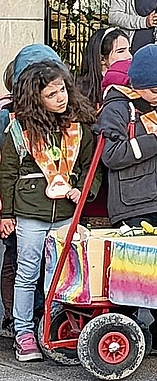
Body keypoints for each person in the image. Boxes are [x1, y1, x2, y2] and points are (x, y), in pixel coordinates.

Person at [1, 58, 99, 362]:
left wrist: (83, 190)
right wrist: (6, 214)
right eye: (52, 94)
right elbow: (7, 171)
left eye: (62, 91)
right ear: (36, 98)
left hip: (67, 211)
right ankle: (24, 332)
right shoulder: (19, 129)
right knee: (27, 272)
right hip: (30, 211)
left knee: (61, 272)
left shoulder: (78, 127)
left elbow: (89, 168)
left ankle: (53, 325)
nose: (61, 98)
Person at [97, 44, 157, 357]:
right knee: (134, 272)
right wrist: (155, 138)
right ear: (136, 83)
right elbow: (111, 156)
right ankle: (125, 326)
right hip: (133, 203)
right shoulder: (116, 108)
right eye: (154, 90)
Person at [74, 27, 132, 106]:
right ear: (102, 58)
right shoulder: (81, 91)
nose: (129, 56)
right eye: (121, 51)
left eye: (129, 50)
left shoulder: (133, 82)